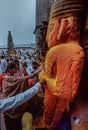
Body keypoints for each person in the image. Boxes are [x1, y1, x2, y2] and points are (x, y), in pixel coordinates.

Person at [39, 0, 86, 129]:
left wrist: (45, 78)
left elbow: (65, 92)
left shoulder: (69, 50)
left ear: (62, 26)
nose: (48, 36)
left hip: (72, 108)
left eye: (51, 28)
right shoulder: (57, 51)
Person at [1, 62, 43, 130]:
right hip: (9, 104)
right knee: (13, 125)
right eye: (15, 68)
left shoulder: (9, 77)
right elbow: (22, 79)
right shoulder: (7, 78)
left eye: (16, 68)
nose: (16, 70)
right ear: (9, 69)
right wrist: (35, 73)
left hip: (7, 103)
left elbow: (20, 80)